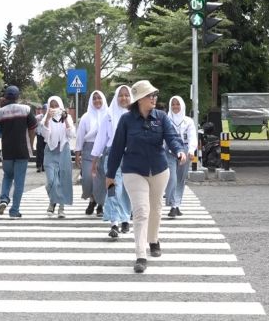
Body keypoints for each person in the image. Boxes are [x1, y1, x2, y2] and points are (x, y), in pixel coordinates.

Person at [106, 80, 186, 273]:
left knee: (156, 208)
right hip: (133, 170)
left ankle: (153, 240)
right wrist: (110, 175)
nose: (154, 98)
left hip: (159, 170)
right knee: (141, 210)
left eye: (154, 95)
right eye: (150, 95)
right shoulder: (126, 120)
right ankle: (141, 254)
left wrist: (179, 151)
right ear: (140, 99)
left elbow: (172, 137)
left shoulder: (161, 117)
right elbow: (116, 148)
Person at [91, 85, 132, 238]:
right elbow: (101, 139)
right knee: (114, 187)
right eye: (120, 95)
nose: (124, 98)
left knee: (127, 189)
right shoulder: (109, 115)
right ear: (116, 97)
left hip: (131, 156)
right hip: (112, 156)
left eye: (126, 95)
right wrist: (94, 161)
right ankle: (114, 222)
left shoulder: (135, 114)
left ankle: (126, 218)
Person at [0, 85, 37, 219]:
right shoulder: (26, 110)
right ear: (18, 97)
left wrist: (0, 105)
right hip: (22, 150)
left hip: (7, 151)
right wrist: (31, 143)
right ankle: (14, 210)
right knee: (19, 182)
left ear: (5, 97)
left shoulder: (0, 112)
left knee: (7, 176)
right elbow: (33, 128)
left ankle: (4, 200)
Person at [74, 90, 108, 217]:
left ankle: (100, 205)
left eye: (99, 98)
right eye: (94, 98)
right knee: (88, 178)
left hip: (104, 151)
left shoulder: (109, 115)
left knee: (102, 179)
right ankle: (92, 200)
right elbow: (80, 136)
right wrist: (78, 153)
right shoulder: (85, 117)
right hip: (89, 150)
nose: (97, 101)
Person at [41, 96, 75, 218]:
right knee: (51, 181)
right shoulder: (46, 119)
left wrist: (65, 120)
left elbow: (71, 134)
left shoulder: (68, 118)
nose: (54, 108)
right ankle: (52, 200)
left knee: (63, 180)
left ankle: (60, 206)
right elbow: (45, 135)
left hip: (63, 150)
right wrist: (47, 119)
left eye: (56, 105)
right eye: (52, 105)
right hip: (50, 151)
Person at [164, 95, 197, 218]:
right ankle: (172, 204)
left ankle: (176, 205)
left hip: (185, 150)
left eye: (178, 104)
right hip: (169, 151)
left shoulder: (188, 121)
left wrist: (192, 150)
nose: (175, 107)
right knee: (171, 178)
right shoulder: (166, 119)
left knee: (180, 179)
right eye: (173, 104)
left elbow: (192, 136)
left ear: (182, 105)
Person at [35, 104, 48, 172]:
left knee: (46, 151)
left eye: (46, 109)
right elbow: (34, 125)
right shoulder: (38, 117)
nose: (44, 110)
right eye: (43, 109)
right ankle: (39, 166)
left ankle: (44, 166)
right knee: (39, 150)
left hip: (47, 136)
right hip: (39, 135)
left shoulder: (50, 117)